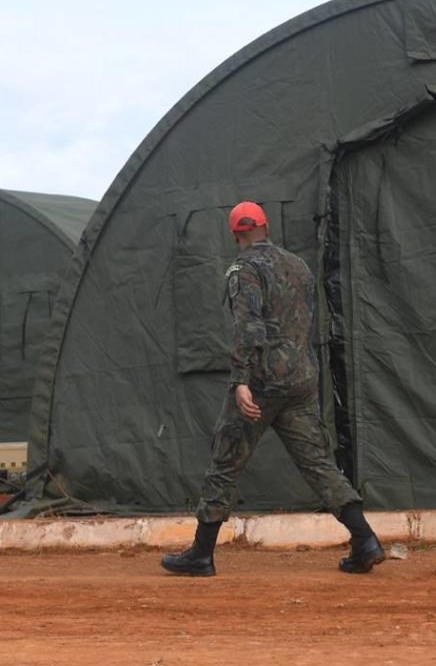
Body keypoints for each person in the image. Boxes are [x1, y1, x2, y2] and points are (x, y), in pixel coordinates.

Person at [161, 201, 384, 577]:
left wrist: (241, 380)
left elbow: (249, 327)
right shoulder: (298, 266)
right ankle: (364, 539)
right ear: (266, 227)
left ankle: (201, 553)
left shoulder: (244, 269)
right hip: (301, 379)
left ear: (235, 234)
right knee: (318, 463)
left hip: (262, 381)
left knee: (225, 461)